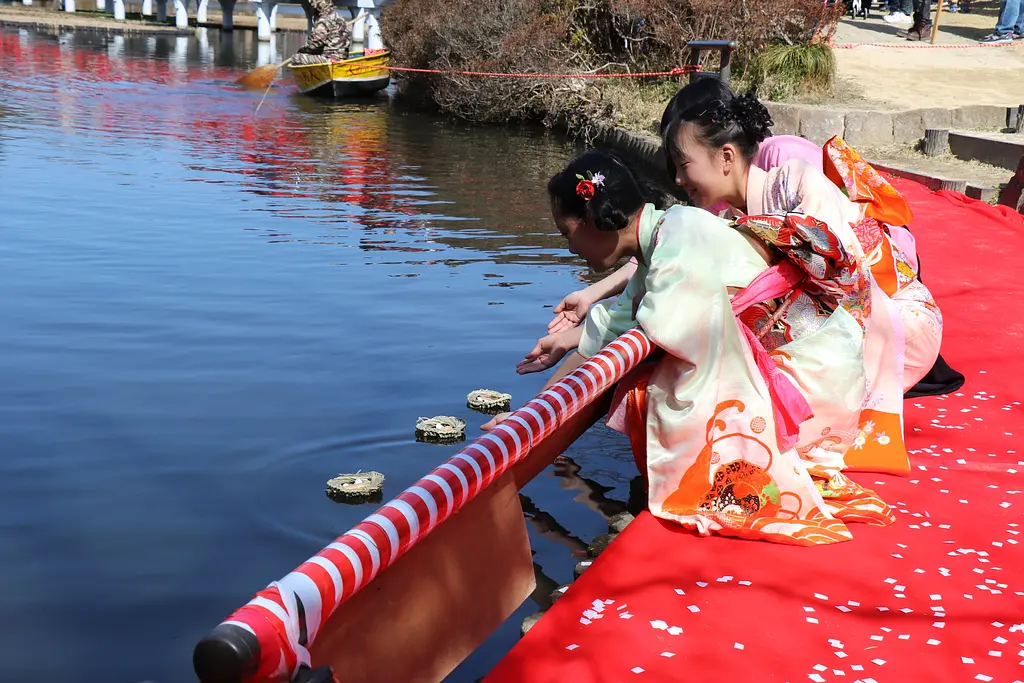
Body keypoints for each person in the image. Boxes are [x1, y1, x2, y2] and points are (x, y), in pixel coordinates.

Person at [487, 149, 892, 545]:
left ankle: (714, 478)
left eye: (566, 233)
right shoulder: (666, 236)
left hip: (817, 378)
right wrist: (528, 415)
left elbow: (660, 325)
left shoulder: (679, 238)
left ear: (596, 219)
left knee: (649, 384)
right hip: (821, 361)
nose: (569, 247)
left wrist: (533, 417)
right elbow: (607, 333)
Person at [291, 0, 351, 66]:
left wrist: (301, 51)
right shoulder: (338, 16)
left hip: (330, 58)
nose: (312, 6)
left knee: (296, 58)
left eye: (313, 3)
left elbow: (314, 43)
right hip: (342, 57)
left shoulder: (323, 20)